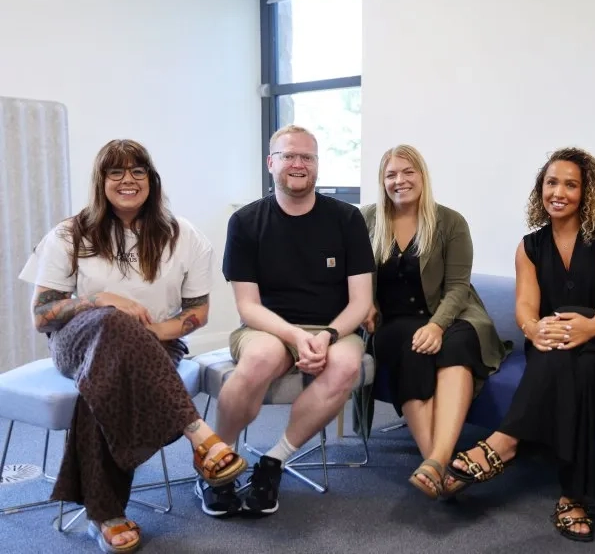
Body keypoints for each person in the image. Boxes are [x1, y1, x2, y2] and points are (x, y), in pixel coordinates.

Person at [18, 139, 246, 554]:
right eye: (116, 172)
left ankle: (105, 515)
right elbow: (41, 315)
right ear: (101, 181)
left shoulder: (184, 235)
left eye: (138, 171)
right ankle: (200, 436)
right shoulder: (70, 233)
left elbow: (199, 311)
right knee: (110, 322)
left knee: (102, 380)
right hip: (76, 343)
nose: (128, 180)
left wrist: (155, 332)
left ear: (151, 180)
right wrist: (102, 299)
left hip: (155, 345)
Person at [443, 147, 595, 542]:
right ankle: (574, 495)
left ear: (587, 192)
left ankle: (506, 441)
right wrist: (532, 330)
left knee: (570, 317)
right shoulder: (529, 247)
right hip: (557, 346)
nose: (559, 192)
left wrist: (592, 326)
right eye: (552, 182)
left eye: (571, 184)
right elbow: (526, 308)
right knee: (578, 365)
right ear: (540, 189)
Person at [208, 124, 374, 517]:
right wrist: (295, 336)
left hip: (335, 326)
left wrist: (329, 335)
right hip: (266, 326)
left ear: (317, 165)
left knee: (347, 363)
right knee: (262, 357)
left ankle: (274, 462)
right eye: (288, 156)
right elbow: (248, 306)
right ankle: (214, 463)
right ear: (271, 163)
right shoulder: (246, 222)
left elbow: (361, 302)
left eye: (308, 157)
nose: (299, 164)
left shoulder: (347, 219)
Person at [359, 144, 509, 498]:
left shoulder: (450, 222)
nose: (400, 181)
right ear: (382, 181)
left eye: (408, 172)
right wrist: (366, 304)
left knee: (455, 345)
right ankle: (439, 468)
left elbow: (457, 288)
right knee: (407, 346)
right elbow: (357, 275)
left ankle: (436, 461)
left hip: (452, 314)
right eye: (391, 174)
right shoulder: (366, 220)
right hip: (393, 321)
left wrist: (437, 326)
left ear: (422, 176)